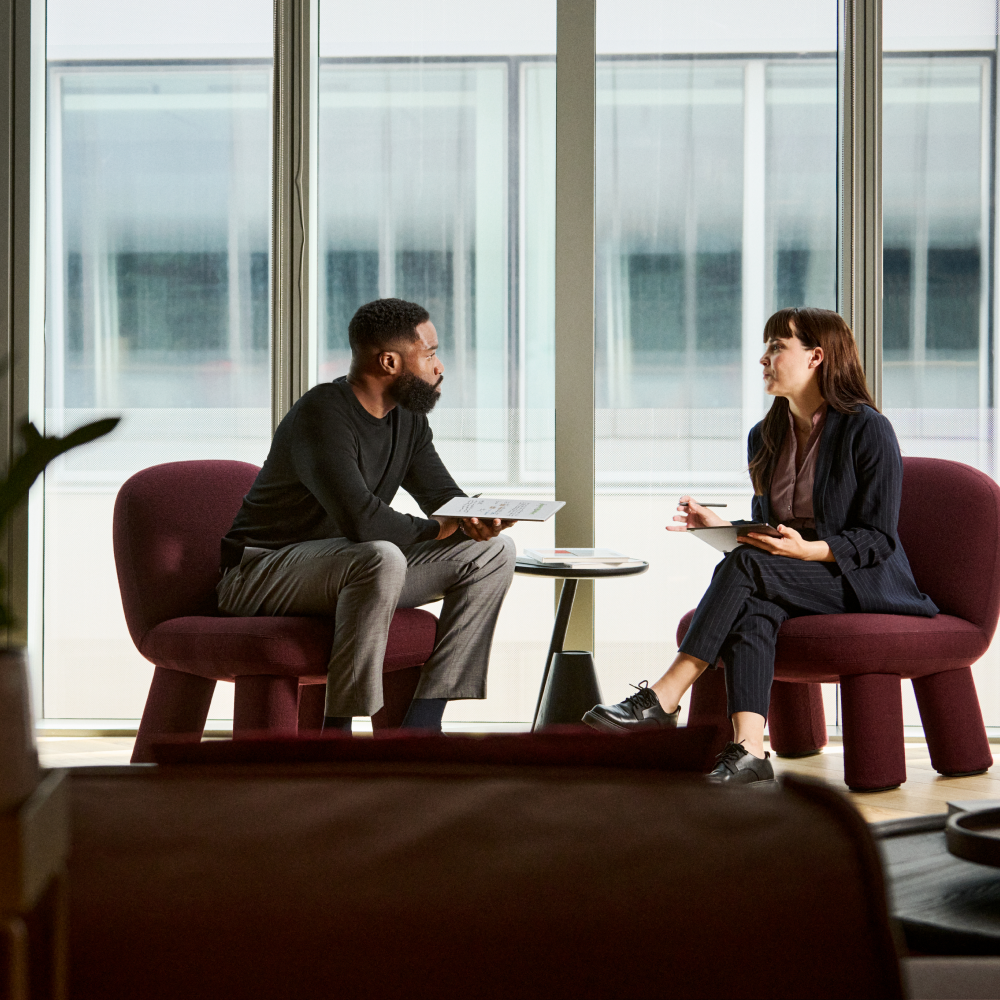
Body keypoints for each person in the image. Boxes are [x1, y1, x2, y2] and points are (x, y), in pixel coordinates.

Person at [582, 307, 938, 783]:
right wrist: (724, 525)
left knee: (749, 568)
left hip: (858, 577)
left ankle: (666, 695)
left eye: (776, 347)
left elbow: (878, 537)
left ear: (816, 357)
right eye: (766, 347)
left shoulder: (867, 428)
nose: (763, 359)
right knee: (755, 609)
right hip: (787, 570)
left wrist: (808, 552)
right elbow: (778, 526)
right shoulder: (764, 435)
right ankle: (749, 751)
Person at [217, 298, 517, 734]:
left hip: (349, 570)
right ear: (390, 361)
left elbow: (442, 497)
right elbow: (365, 522)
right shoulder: (322, 414)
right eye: (429, 354)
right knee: (380, 554)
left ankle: (423, 723)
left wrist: (475, 517)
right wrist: (439, 527)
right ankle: (339, 729)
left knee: (493, 553)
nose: (440, 367)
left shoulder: (407, 420)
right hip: (260, 573)